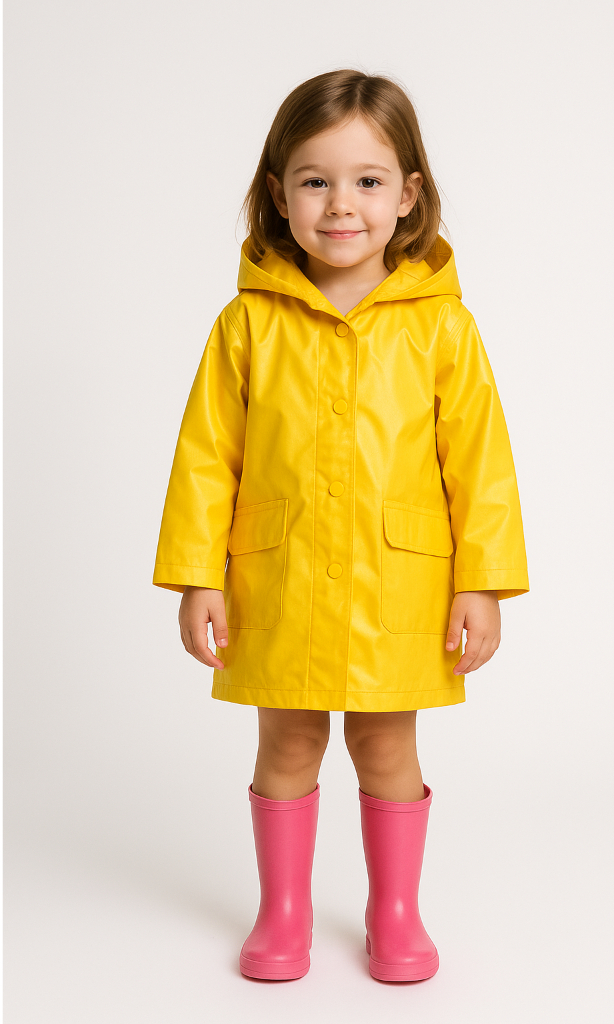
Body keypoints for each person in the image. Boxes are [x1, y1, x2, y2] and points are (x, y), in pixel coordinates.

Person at [153, 69, 528, 982]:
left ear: (408, 195)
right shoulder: (247, 325)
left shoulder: (443, 328)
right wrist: (198, 575)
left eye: (367, 180)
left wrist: (481, 583)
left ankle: (394, 913)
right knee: (286, 740)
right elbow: (207, 457)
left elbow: (480, 464)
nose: (341, 204)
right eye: (315, 180)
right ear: (278, 194)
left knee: (386, 743)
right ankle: (282, 914)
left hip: (400, 583)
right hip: (278, 578)